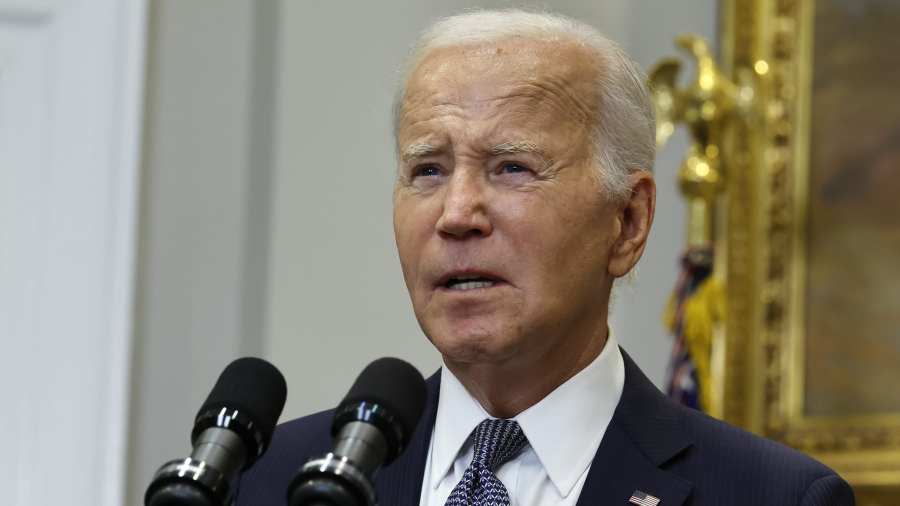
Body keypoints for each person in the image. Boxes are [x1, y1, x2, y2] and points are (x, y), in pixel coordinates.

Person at [238, 9, 854, 506]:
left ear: (628, 222)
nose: (456, 214)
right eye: (428, 170)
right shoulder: (273, 482)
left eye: (512, 168)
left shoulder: (774, 495)